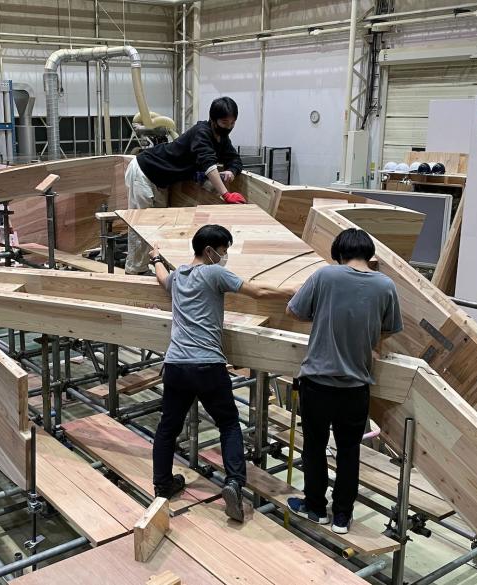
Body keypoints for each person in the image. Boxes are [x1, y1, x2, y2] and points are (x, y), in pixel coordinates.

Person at [149, 224, 285, 522]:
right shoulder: (213, 273)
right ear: (210, 251)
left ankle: (162, 485)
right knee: (228, 424)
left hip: (176, 365)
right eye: (223, 251)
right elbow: (259, 292)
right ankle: (234, 483)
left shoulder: (179, 275)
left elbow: (161, 278)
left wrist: (156, 257)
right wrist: (303, 289)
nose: (225, 257)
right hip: (207, 366)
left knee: (168, 427)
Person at [285, 228, 403, 534]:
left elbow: (293, 310)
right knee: (349, 452)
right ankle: (341, 516)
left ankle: (315, 508)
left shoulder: (325, 276)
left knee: (314, 447)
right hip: (356, 386)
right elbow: (390, 327)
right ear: (369, 253)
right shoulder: (385, 285)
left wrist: (325, 315)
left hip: (317, 383)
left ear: (339, 253)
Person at [126, 97, 246, 275]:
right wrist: (225, 194)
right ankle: (135, 270)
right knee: (142, 224)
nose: (228, 127)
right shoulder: (201, 133)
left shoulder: (221, 139)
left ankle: (154, 263)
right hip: (144, 171)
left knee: (159, 225)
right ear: (213, 120)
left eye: (232, 123)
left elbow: (234, 159)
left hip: (162, 180)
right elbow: (208, 163)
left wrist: (231, 171)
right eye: (224, 122)